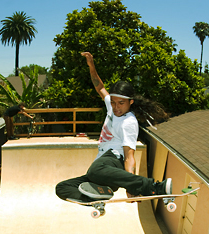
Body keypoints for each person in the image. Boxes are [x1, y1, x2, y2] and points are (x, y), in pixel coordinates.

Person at [55, 52, 172, 202]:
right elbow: (99, 86)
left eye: (121, 103)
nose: (116, 107)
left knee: (95, 170)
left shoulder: (129, 122)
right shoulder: (112, 104)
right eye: (113, 102)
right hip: (102, 169)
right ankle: (97, 198)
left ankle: (155, 186)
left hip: (113, 160)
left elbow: (129, 156)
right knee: (63, 188)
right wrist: (91, 65)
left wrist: (131, 186)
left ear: (131, 102)